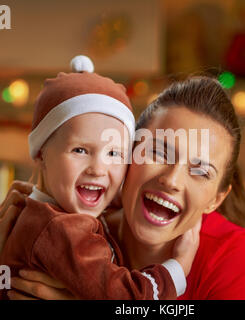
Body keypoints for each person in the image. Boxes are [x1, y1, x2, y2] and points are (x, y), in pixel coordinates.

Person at [0, 76, 245, 300]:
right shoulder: (71, 222)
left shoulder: (229, 253)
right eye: (158, 153)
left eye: (200, 171)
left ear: (215, 200)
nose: (171, 180)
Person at [0, 56, 201, 300]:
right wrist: (178, 268)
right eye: (80, 150)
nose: (98, 169)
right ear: (41, 154)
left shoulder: (46, 210)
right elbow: (128, 298)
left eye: (114, 153)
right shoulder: (62, 229)